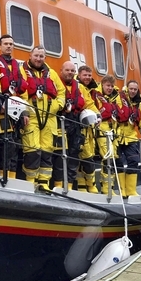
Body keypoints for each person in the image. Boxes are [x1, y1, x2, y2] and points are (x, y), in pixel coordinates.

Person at [21, 46, 64, 191]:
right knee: (32, 150)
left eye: (41, 56)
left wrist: (57, 106)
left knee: (47, 151)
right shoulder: (22, 70)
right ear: (30, 55)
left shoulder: (52, 73)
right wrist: (24, 111)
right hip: (31, 116)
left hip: (50, 117)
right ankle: (30, 181)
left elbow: (62, 93)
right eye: (36, 56)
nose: (38, 59)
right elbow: (21, 92)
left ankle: (44, 183)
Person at [0, 34, 28, 179]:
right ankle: (4, 176)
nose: (8, 46)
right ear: (0, 46)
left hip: (16, 110)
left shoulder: (18, 67)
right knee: (6, 145)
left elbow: (24, 92)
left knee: (14, 146)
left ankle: (12, 177)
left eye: (11, 44)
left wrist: (25, 112)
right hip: (1, 109)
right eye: (6, 43)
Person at [52, 61, 85, 190]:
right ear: (61, 71)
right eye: (67, 70)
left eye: (72, 71)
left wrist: (97, 115)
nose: (70, 73)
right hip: (60, 121)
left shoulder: (79, 86)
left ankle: (69, 186)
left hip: (75, 123)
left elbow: (86, 102)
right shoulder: (55, 84)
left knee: (73, 156)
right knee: (60, 156)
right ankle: (58, 185)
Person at [94, 74, 129, 193]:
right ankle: (106, 188)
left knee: (113, 158)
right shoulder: (96, 96)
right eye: (107, 85)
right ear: (102, 84)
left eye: (111, 86)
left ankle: (110, 187)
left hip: (113, 131)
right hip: (102, 130)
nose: (109, 88)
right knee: (107, 159)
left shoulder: (115, 97)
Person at [75, 65, 100, 193]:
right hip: (79, 127)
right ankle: (83, 186)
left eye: (89, 75)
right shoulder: (77, 87)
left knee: (88, 159)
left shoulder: (91, 90)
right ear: (79, 75)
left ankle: (90, 185)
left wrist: (98, 116)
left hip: (89, 128)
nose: (87, 78)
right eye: (85, 75)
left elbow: (91, 104)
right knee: (82, 159)